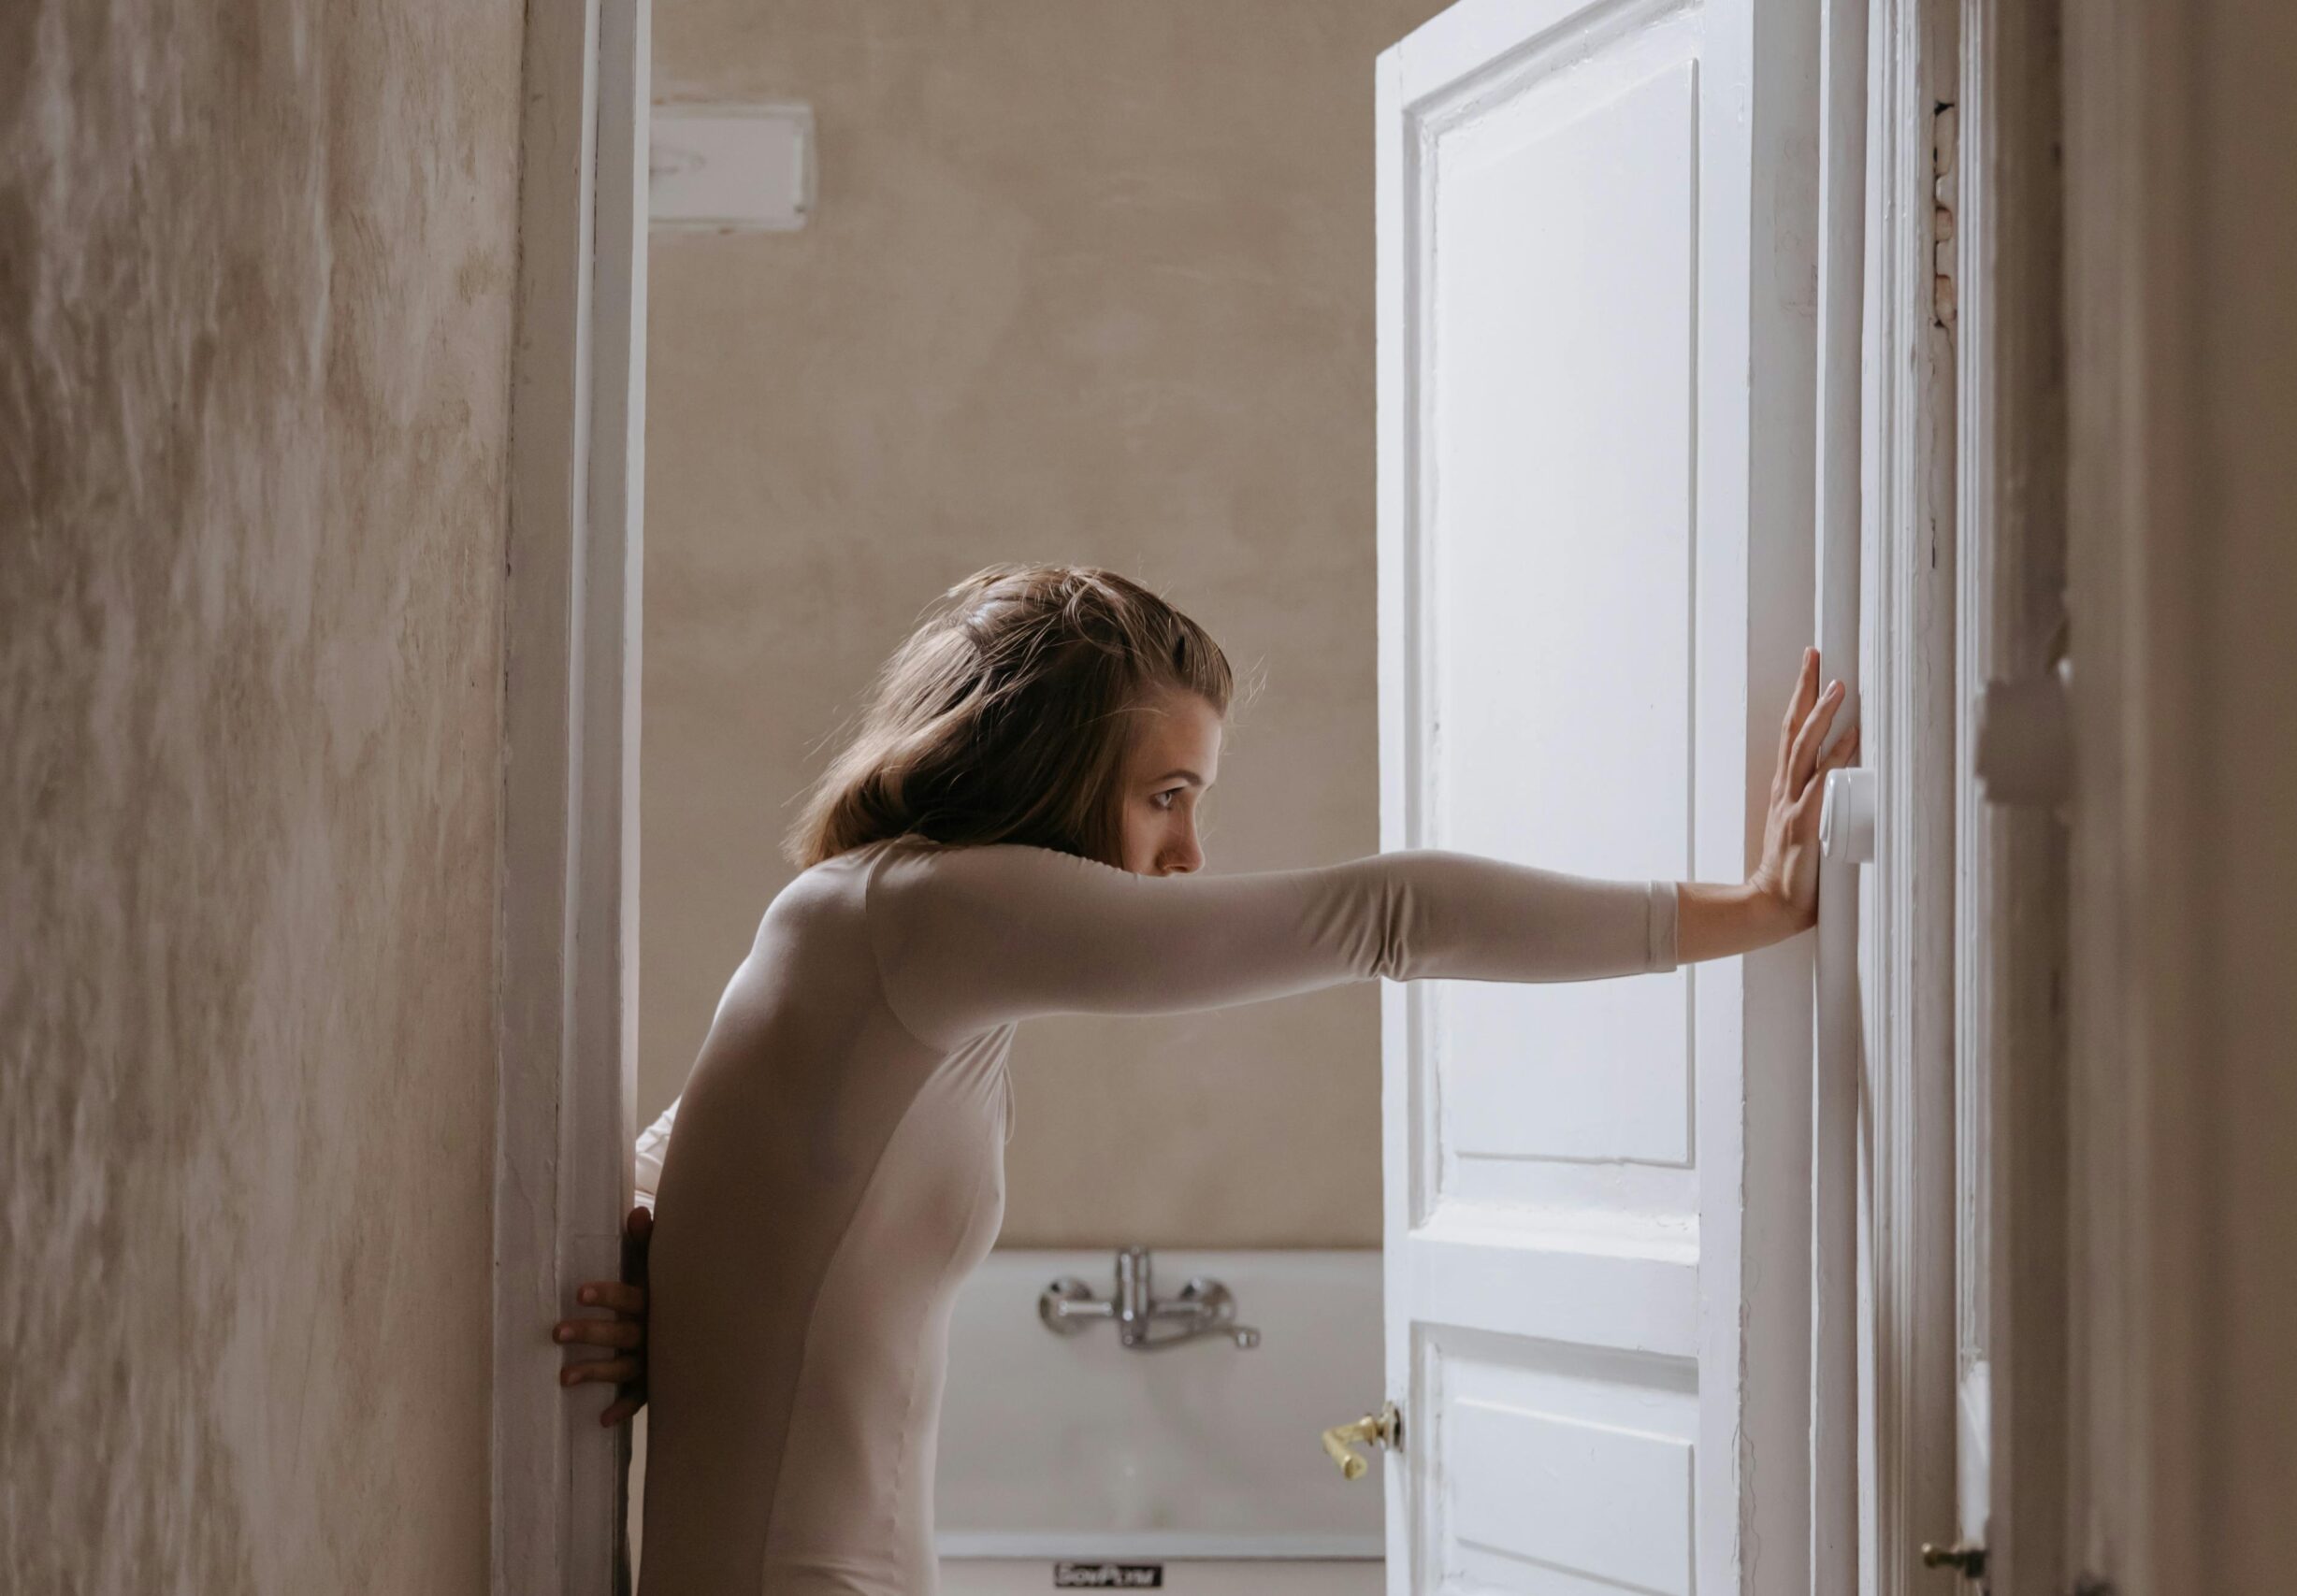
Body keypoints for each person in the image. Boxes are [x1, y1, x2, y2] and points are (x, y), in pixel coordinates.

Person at [553, 563, 1858, 1595]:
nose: (1187, 852)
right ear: (1048, 769)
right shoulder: (924, 918)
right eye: (1166, 796)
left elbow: (696, 1148)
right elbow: (1389, 916)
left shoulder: (868, 922)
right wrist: (1749, 908)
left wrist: (664, 1259)